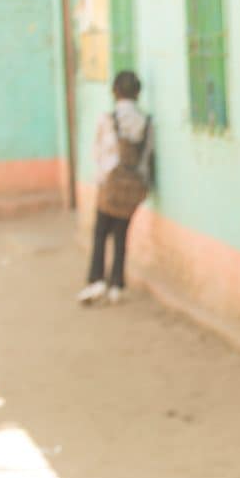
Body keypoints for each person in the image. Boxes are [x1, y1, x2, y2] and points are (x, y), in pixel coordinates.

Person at [77, 70, 154, 305]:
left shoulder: (108, 119)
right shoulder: (146, 122)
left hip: (111, 183)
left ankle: (97, 280)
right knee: (122, 234)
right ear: (138, 93)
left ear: (115, 92)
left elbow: (99, 153)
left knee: (101, 233)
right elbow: (146, 157)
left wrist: (101, 181)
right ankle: (117, 285)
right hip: (134, 185)